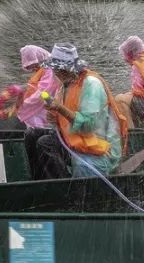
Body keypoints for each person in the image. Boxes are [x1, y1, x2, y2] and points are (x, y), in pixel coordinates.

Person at [32, 43, 127, 180]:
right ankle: (41, 183)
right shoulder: (66, 84)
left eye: (61, 69)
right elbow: (64, 120)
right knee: (33, 135)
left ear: (71, 69)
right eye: (55, 69)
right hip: (74, 139)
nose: (57, 73)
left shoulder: (91, 85)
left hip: (100, 147)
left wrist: (60, 108)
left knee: (46, 143)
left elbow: (88, 126)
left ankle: (63, 190)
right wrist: (55, 116)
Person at [17, 46, 58, 180]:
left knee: (41, 139)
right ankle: (36, 176)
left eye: (34, 64)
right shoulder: (44, 69)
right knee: (30, 134)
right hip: (44, 109)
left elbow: (43, 93)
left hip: (52, 115)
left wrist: (24, 105)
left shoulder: (51, 70)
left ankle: (48, 179)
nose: (32, 68)